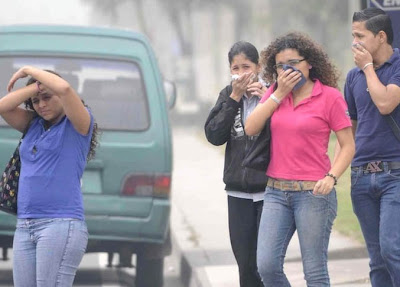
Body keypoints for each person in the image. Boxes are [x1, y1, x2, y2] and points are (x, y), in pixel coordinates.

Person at [245, 32, 355, 286]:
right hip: (276, 192)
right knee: (267, 266)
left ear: (309, 63)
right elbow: (251, 128)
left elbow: (348, 145)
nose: (287, 70)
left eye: (293, 63)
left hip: (313, 194)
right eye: (281, 66)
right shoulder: (275, 93)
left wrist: (331, 177)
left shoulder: (329, 97)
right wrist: (277, 94)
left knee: (314, 272)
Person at [0, 66, 98, 286]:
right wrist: (35, 87)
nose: (41, 105)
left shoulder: (77, 125)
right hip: (25, 225)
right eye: (36, 101)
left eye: (47, 98)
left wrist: (27, 70)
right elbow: (3, 107)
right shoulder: (33, 125)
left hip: (60, 224)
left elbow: (63, 88)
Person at [204, 41, 268, 287]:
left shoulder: (272, 94)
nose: (241, 73)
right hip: (237, 191)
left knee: (266, 263)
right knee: (245, 265)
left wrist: (268, 102)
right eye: (236, 68)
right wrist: (234, 98)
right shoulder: (227, 95)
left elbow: (284, 135)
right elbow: (214, 135)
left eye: (246, 67)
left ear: (258, 67)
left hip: (268, 190)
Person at [345, 7, 400, 286]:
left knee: (393, 250)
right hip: (362, 176)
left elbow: (386, 103)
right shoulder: (352, 77)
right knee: (377, 259)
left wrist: (368, 67)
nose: (354, 42)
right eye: (352, 35)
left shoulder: (398, 65)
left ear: (380, 36)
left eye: (359, 36)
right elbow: (352, 128)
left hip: (395, 175)